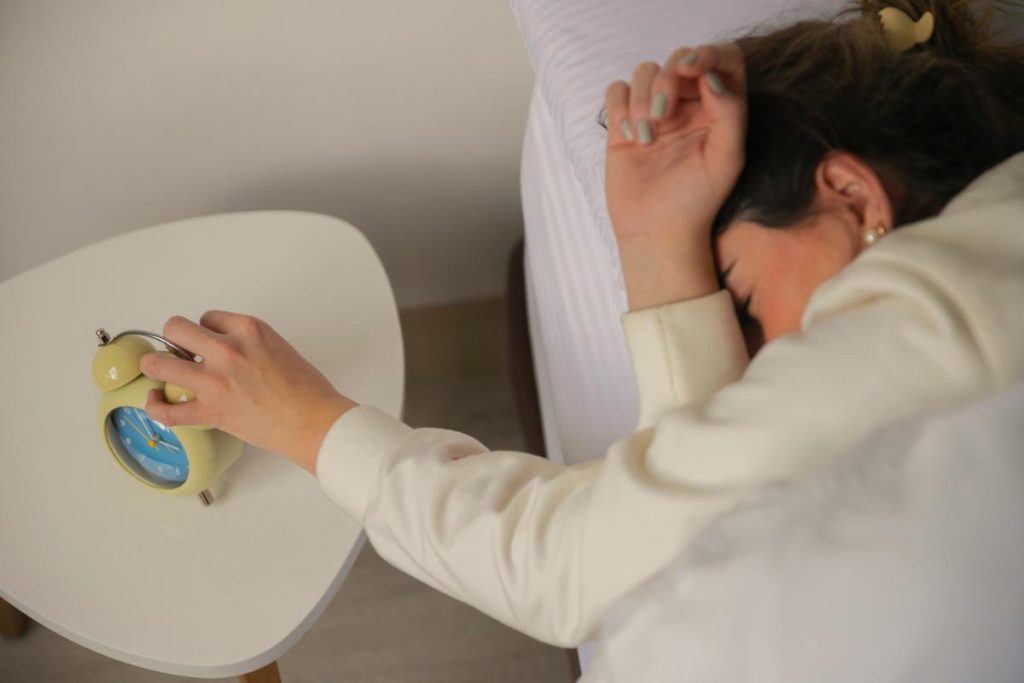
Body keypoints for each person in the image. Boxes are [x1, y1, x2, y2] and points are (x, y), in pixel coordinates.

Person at [137, 0, 1024, 654]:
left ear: (851, 195)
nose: (752, 374)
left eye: (745, 308)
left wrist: (305, 418)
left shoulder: (938, 315)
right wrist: (653, 246)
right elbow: (695, 499)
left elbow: (574, 562)